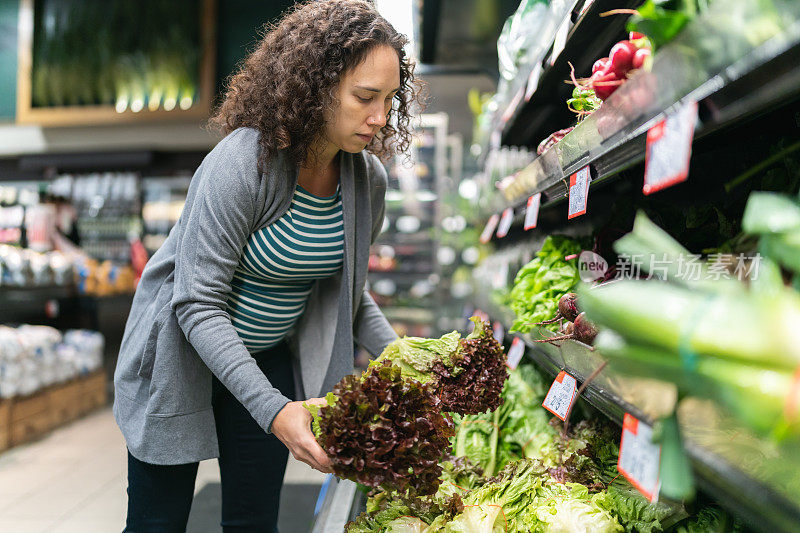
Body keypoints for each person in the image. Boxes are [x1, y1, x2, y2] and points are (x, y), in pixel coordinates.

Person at [112, 1, 424, 530]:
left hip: (267, 359)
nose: (379, 117)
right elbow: (197, 303)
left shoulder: (367, 180)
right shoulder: (243, 163)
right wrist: (277, 412)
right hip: (180, 356)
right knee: (156, 523)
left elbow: (351, 291)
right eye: (364, 97)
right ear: (315, 87)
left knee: (254, 521)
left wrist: (405, 358)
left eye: (390, 99)